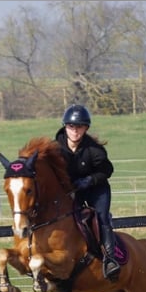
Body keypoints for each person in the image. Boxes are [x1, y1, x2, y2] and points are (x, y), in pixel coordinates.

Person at [55, 104, 120, 281]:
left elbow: (107, 170)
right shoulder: (55, 148)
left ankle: (110, 259)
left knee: (101, 217)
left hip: (96, 190)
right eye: (71, 127)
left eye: (80, 127)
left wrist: (89, 180)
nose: (75, 131)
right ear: (65, 126)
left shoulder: (95, 150)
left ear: (86, 128)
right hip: (73, 191)